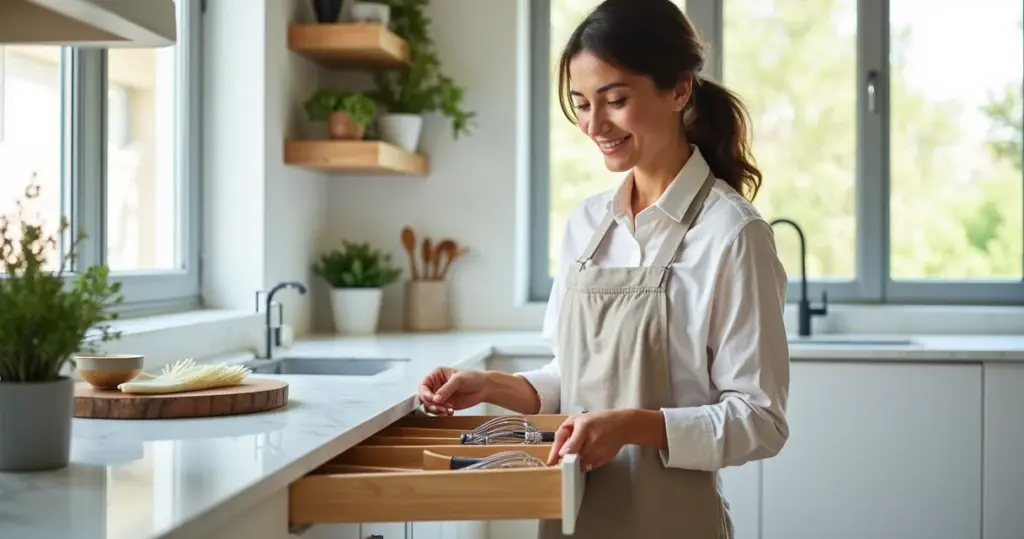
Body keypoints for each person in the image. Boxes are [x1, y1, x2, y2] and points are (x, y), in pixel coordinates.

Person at [416, 0, 790, 537]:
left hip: (673, 521)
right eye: (581, 104)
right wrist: (489, 385)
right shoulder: (588, 224)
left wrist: (632, 427)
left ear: (679, 89)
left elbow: (760, 421)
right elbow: (573, 380)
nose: (595, 124)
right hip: (571, 514)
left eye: (615, 100)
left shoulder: (732, 235)